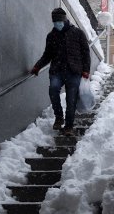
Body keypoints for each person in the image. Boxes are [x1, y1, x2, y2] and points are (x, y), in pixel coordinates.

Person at [30, 7, 90, 136]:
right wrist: (37, 66)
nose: (57, 24)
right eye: (55, 22)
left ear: (64, 20)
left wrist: (86, 70)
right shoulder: (51, 36)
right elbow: (47, 55)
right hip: (57, 70)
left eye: (59, 21)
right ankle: (59, 117)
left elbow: (86, 52)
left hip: (74, 71)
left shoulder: (78, 33)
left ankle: (68, 126)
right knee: (53, 90)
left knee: (71, 99)